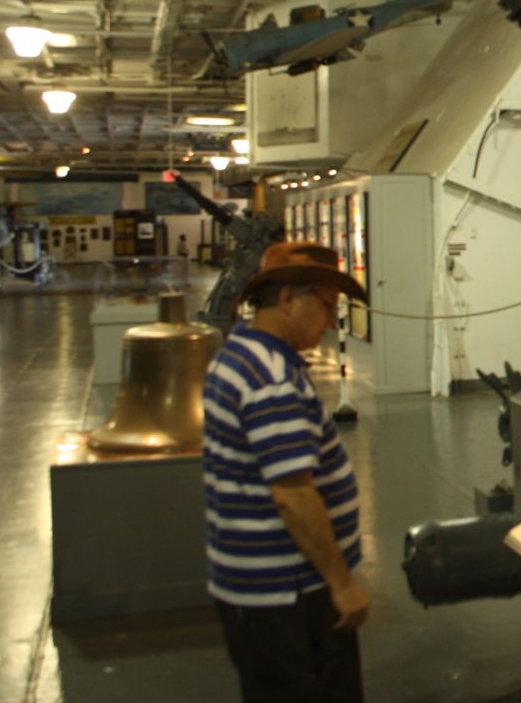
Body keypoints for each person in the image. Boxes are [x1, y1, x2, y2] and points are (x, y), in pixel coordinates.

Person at [201, 241, 372, 702]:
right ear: (287, 298)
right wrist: (341, 583)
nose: (330, 320)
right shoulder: (271, 379)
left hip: (257, 592)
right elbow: (293, 495)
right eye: (326, 305)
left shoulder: (238, 355)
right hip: (289, 597)